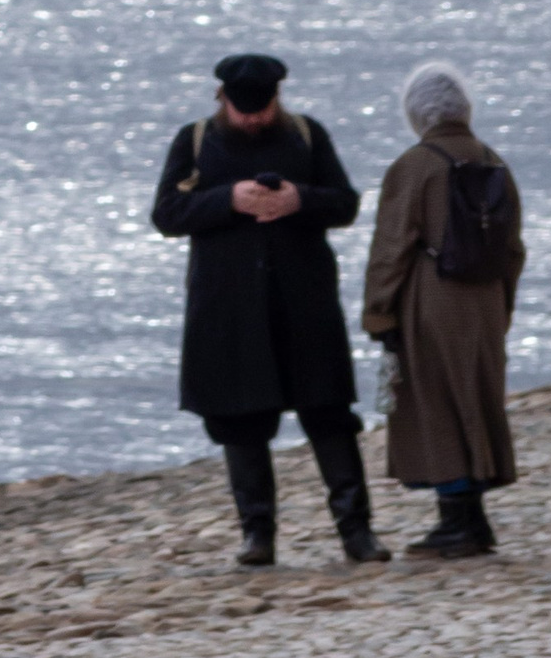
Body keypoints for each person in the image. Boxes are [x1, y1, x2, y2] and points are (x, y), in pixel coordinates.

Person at [152, 51, 389, 567]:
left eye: (261, 108)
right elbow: (166, 214)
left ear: (278, 98)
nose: (254, 118)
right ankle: (257, 535)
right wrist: (227, 200)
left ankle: (357, 532)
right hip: (229, 309)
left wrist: (299, 200)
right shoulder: (195, 141)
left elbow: (344, 203)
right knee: (240, 418)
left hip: (304, 303)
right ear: (223, 101)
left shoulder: (307, 135)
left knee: (327, 413)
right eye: (243, 110)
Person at [362, 61, 525, 559]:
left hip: (431, 298)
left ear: (416, 113)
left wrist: (378, 314)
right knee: (476, 398)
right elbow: (513, 248)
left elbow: (392, 248)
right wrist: (503, 306)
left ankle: (457, 519)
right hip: (485, 300)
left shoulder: (415, 166)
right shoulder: (494, 161)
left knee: (435, 403)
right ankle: (474, 518)